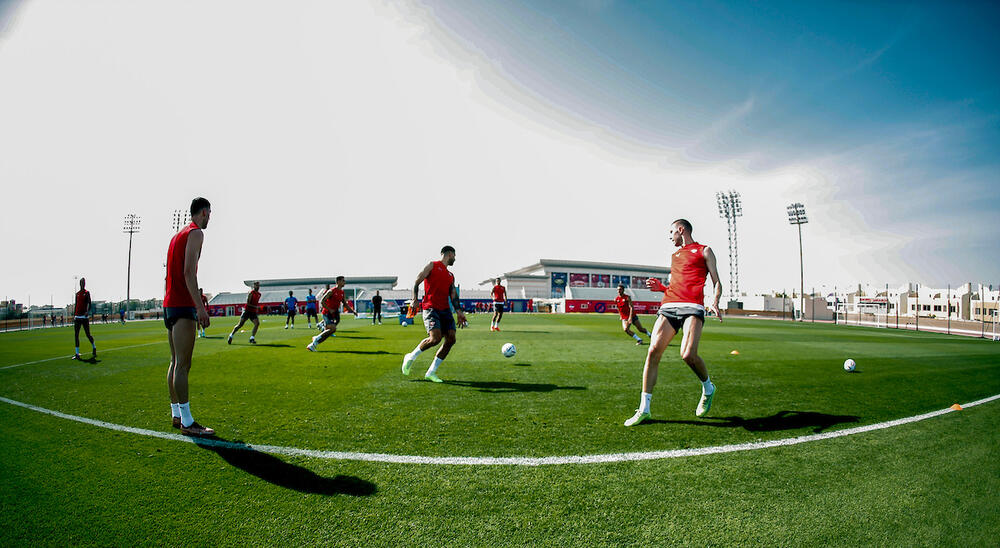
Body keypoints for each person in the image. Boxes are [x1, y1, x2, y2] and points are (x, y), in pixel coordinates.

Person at [624, 219, 723, 426]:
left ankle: (708, 388)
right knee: (652, 351)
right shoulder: (675, 256)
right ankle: (644, 409)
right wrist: (661, 288)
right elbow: (676, 286)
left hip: (692, 307)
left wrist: (714, 301)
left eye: (671, 232)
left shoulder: (705, 251)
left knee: (687, 355)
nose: (670, 237)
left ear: (681, 230)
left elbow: (717, 282)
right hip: (669, 305)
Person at [164, 197, 214, 436]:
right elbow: (188, 273)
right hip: (183, 304)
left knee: (175, 362)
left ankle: (176, 413)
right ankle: (187, 421)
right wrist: (200, 307)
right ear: (203, 212)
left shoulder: (176, 236)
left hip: (170, 304)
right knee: (183, 365)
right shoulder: (195, 234)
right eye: (209, 213)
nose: (210, 218)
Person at [400, 246, 468, 383]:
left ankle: (431, 372)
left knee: (451, 339)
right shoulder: (432, 265)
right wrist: (414, 299)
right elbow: (417, 281)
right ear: (450, 254)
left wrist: (459, 312)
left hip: (445, 310)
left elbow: (453, 295)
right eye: (454, 256)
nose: (455, 259)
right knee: (435, 339)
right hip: (431, 308)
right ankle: (411, 357)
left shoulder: (450, 276)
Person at [307, 276, 356, 351]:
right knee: (332, 329)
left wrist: (353, 311)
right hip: (327, 313)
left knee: (330, 331)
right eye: (343, 281)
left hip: (334, 313)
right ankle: (314, 341)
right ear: (338, 282)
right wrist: (329, 309)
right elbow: (322, 301)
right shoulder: (331, 291)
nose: (344, 282)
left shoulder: (342, 292)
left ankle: (314, 343)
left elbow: (345, 304)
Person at [71, 278, 96, 360]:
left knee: (88, 334)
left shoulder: (87, 293)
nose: (82, 284)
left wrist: (87, 311)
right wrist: (74, 315)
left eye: (83, 282)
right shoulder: (77, 294)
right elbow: (76, 304)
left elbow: (89, 303)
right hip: (77, 317)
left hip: (84, 317)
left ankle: (94, 347)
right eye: (81, 282)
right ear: (80, 284)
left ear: (85, 284)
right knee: (76, 335)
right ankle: (77, 353)